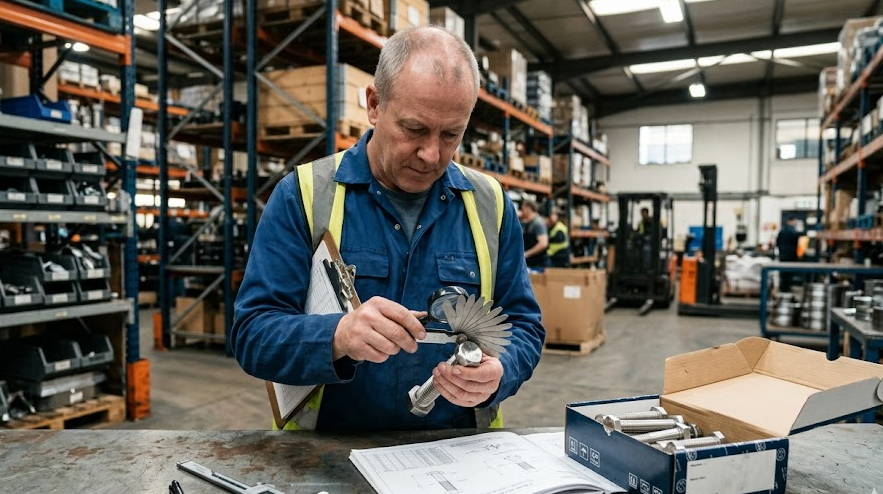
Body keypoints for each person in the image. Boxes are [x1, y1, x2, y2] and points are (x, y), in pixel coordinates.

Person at [232, 26, 545, 431]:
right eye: (414, 129)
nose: (432, 154)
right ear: (375, 104)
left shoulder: (491, 204)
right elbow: (253, 334)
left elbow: (524, 323)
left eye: (451, 134)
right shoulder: (303, 196)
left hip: (459, 455)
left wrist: (502, 370)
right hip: (330, 456)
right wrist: (337, 335)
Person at [520, 199, 548, 269]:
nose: (522, 211)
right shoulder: (527, 222)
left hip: (538, 264)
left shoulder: (538, 223)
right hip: (530, 263)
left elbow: (543, 243)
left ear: (528, 208)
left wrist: (527, 254)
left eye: (523, 208)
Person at [776, 216, 800, 292]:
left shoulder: (782, 231)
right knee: (789, 273)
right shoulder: (793, 231)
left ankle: (782, 288)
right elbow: (796, 244)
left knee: (783, 273)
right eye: (795, 221)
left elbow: (777, 242)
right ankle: (787, 288)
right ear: (791, 221)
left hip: (782, 255)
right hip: (791, 256)